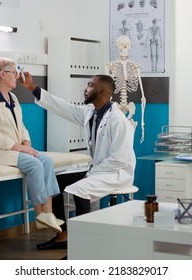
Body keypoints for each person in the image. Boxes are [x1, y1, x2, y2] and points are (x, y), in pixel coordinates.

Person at [19, 73, 136, 250]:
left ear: (103, 92)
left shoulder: (118, 120)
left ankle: (83, 246)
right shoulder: (91, 113)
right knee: (57, 182)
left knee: (81, 189)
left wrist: (89, 174)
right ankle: (63, 235)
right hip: (98, 170)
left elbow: (119, 159)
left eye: (90, 85)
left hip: (116, 173)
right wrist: (32, 87)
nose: (85, 89)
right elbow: (63, 107)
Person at [0, 56, 63, 233]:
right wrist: (21, 148)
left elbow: (21, 126)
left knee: (46, 161)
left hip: (12, 149)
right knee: (35, 164)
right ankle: (39, 214)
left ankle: (47, 212)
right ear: (2, 75)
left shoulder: (12, 97)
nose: (17, 76)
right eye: (14, 72)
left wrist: (26, 143)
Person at [107, 35, 146, 143]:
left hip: (130, 106)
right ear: (117, 47)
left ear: (129, 47)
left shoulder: (134, 66)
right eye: (122, 45)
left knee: (128, 138)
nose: (124, 47)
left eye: (127, 45)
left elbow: (143, 96)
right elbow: (107, 86)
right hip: (117, 106)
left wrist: (142, 126)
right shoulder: (111, 66)